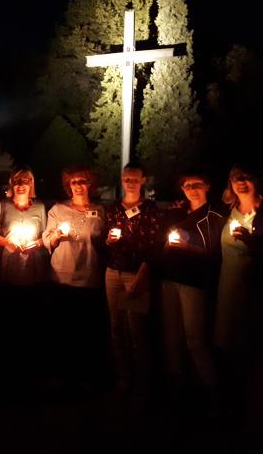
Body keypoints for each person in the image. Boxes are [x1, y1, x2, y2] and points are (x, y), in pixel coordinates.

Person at [160, 170, 224, 404]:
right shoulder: (177, 212)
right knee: (171, 335)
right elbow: (163, 242)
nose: (192, 189)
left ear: (207, 185)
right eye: (187, 185)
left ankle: (211, 389)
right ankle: (175, 385)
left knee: (195, 338)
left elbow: (215, 254)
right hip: (170, 280)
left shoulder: (215, 215)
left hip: (194, 283)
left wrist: (188, 250)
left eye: (197, 184)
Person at [42, 165, 107, 392]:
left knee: (87, 331)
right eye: (74, 182)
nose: (78, 186)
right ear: (68, 186)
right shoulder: (58, 210)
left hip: (89, 276)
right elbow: (46, 239)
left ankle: (86, 376)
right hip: (62, 277)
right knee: (62, 330)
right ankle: (62, 376)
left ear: (90, 184)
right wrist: (57, 236)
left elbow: (104, 241)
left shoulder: (100, 211)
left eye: (82, 181)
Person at [104, 162, 162, 404]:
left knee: (136, 330)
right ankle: (123, 380)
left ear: (143, 181)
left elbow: (154, 247)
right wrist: (108, 241)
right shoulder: (114, 208)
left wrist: (141, 276)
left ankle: (142, 384)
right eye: (126, 178)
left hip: (135, 274)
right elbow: (106, 241)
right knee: (116, 329)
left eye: (134, 179)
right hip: (112, 273)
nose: (130, 182)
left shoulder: (150, 209)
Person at [214, 163, 263, 420]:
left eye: (246, 177)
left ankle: (249, 407)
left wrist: (253, 242)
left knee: (248, 345)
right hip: (226, 286)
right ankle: (228, 402)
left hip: (252, 288)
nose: (241, 182)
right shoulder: (228, 210)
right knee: (226, 344)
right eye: (235, 178)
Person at [0, 166, 49, 391]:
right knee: (11, 320)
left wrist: (35, 243)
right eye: (17, 180)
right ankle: (11, 373)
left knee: (33, 320)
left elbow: (45, 236)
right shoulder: (3, 206)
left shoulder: (40, 207)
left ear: (31, 184)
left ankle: (33, 373)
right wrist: (8, 243)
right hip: (10, 269)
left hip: (34, 270)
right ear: (11, 183)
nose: (21, 184)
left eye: (25, 180)